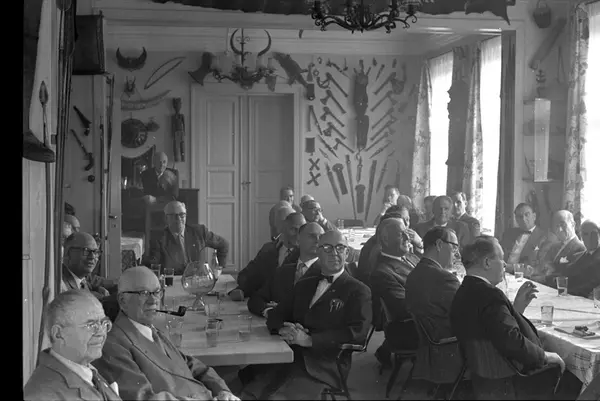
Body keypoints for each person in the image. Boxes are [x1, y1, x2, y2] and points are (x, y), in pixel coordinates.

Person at [242, 230, 372, 399]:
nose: (334, 253)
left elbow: (358, 333)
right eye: (327, 248)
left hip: (324, 365)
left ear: (347, 253)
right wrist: (283, 328)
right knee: (246, 388)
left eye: (340, 248)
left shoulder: (358, 290)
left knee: (275, 396)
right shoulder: (304, 285)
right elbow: (276, 315)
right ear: (318, 252)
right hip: (289, 355)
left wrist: (310, 340)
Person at [93, 266, 239, 401]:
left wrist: (223, 391)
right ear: (122, 300)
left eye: (157, 292)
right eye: (144, 293)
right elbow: (144, 398)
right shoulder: (112, 346)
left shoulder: (152, 330)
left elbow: (193, 366)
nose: (153, 300)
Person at [450, 236, 565, 399]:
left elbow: (493, 329)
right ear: (487, 263)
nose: (504, 264)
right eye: (501, 258)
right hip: (512, 380)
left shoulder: (462, 292)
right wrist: (545, 356)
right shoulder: (491, 296)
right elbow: (512, 341)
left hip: (484, 379)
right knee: (566, 370)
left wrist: (516, 309)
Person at [24, 290, 121, 401]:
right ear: (59, 334)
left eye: (104, 323)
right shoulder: (41, 396)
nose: (101, 333)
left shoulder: (87, 371)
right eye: (90, 325)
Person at [405, 227, 463, 383]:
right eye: (454, 247)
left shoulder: (416, 272)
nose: (457, 254)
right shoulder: (444, 279)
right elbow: (467, 313)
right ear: (439, 244)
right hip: (451, 347)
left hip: (431, 346)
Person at [369, 219, 420, 368]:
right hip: (410, 327)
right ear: (385, 239)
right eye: (401, 234)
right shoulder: (382, 273)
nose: (407, 237)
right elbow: (404, 308)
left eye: (407, 232)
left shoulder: (410, 256)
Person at [248, 222, 324, 318]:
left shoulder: (326, 273)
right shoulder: (283, 271)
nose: (317, 240)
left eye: (321, 237)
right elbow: (255, 300)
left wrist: (282, 310)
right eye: (312, 236)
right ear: (298, 239)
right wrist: (268, 311)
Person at [231, 212, 306, 301]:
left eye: (301, 231)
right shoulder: (268, 249)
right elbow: (247, 276)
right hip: (262, 302)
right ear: (283, 229)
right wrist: (242, 290)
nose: (298, 235)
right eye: (294, 229)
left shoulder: (305, 254)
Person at [144, 201, 229, 275]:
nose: (178, 219)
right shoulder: (159, 239)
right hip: (173, 280)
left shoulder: (199, 232)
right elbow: (153, 264)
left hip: (197, 279)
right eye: (174, 215)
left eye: (182, 215)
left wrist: (219, 268)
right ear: (166, 218)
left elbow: (223, 244)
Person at [547, 219, 600, 297]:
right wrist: (549, 278)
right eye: (586, 234)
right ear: (581, 237)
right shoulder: (577, 256)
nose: (590, 237)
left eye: (594, 233)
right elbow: (566, 275)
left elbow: (590, 286)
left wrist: (568, 292)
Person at [533, 210, 586, 282]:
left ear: (573, 224)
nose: (560, 229)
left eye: (563, 224)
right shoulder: (554, 246)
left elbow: (569, 276)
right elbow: (543, 265)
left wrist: (544, 278)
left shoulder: (580, 248)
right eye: (557, 226)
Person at [61, 232, 114, 298]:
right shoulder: (59, 285)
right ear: (67, 252)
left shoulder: (82, 281)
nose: (92, 257)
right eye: (86, 251)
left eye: (96, 252)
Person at [500, 203, 549, 268]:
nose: (523, 219)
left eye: (527, 215)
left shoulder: (545, 237)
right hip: (503, 270)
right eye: (519, 216)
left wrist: (511, 269)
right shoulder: (508, 234)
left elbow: (540, 265)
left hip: (525, 272)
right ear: (516, 219)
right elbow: (499, 255)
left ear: (534, 216)